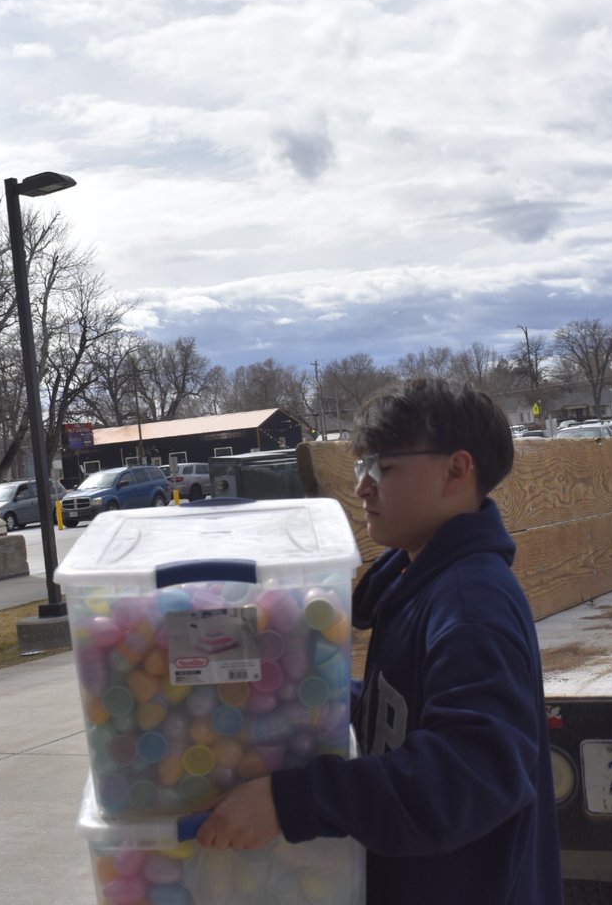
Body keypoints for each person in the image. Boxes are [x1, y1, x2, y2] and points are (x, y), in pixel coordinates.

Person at [197, 377, 564, 904]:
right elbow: (407, 713)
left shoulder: (469, 605)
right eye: (361, 467)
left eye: (383, 468)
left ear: (456, 470)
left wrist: (291, 802)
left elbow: (467, 779)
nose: (362, 487)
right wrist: (304, 693)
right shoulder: (420, 583)